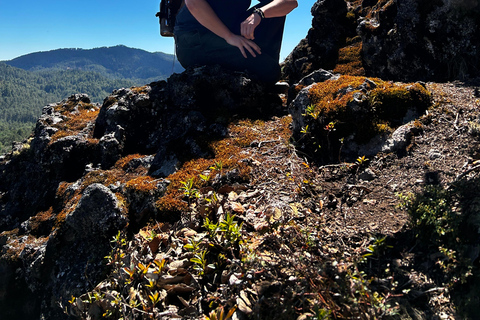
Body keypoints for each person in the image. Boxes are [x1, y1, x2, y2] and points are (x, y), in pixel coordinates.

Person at [174, 0, 298, 85]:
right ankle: (264, 69)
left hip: (228, 34)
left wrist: (260, 13)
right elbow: (193, 3)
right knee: (270, 71)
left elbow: (290, 2)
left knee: (272, 7)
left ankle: (264, 66)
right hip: (194, 40)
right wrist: (229, 37)